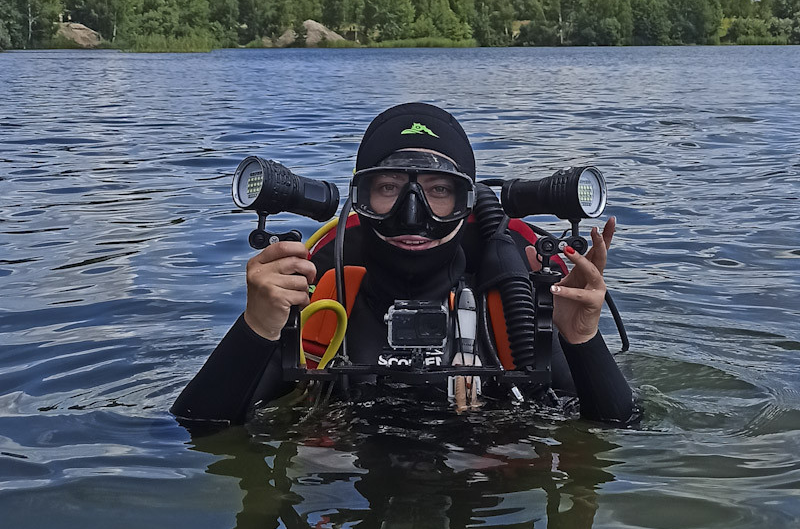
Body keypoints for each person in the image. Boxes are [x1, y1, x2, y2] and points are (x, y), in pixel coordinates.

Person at [172, 102, 634, 427]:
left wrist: (582, 339)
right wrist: (256, 326)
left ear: (466, 202)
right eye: (389, 188)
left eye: (438, 191)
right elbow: (200, 425)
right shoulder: (322, 300)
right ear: (361, 197)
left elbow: (618, 429)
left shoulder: (511, 299)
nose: (412, 216)